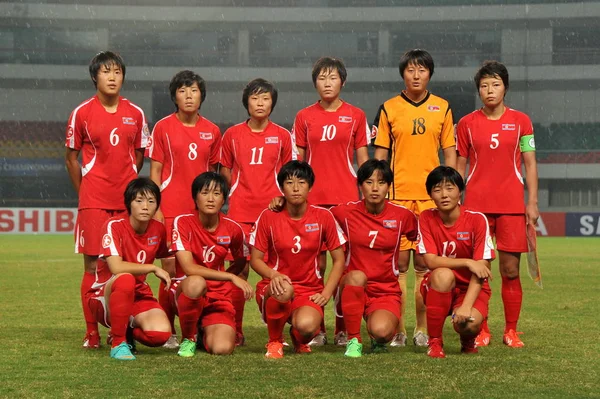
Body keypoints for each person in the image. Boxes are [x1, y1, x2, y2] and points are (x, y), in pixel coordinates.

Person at [372, 48, 456, 347]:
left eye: (422, 70)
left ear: (429, 73)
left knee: (424, 266)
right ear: (403, 74)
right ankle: (399, 329)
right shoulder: (389, 108)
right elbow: (380, 158)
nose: (416, 75)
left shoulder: (443, 107)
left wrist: (453, 191)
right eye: (411, 70)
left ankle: (422, 328)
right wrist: (378, 194)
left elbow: (449, 154)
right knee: (398, 268)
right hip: (397, 198)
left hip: (431, 199)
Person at [65, 51, 149, 348]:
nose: (112, 77)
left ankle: (125, 324)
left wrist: (124, 186)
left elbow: (138, 155)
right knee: (91, 268)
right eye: (106, 72)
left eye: (117, 72)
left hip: (127, 204)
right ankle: (91, 332)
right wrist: (85, 191)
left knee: (128, 266)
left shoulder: (136, 113)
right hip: (94, 200)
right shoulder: (82, 113)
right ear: (94, 77)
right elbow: (71, 157)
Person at [456, 60, 539, 348]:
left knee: (510, 270)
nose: (489, 90)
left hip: (512, 205)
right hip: (476, 206)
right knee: (479, 269)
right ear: (478, 90)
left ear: (505, 87)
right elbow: (459, 166)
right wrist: (456, 202)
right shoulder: (466, 123)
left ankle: (511, 331)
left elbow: (530, 164)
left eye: (495, 84)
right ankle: (483, 328)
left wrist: (532, 201)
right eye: (484, 85)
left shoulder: (522, 121)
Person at [292, 56, 370, 346]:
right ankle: (318, 327)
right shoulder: (304, 116)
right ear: (315, 83)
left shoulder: (356, 115)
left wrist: (364, 197)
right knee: (316, 265)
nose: (327, 83)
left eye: (333, 78)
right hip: (312, 200)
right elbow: (297, 164)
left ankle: (341, 328)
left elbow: (363, 162)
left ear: (343, 81)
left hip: (345, 199)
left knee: (345, 265)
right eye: (322, 78)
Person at [220, 78, 297, 346]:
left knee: (275, 271)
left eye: (265, 98)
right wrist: (231, 198)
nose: (260, 103)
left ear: (273, 102)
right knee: (240, 272)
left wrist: (282, 198)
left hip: (273, 214)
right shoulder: (231, 135)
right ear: (247, 103)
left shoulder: (284, 135)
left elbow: (290, 175)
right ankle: (236, 329)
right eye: (255, 98)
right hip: (240, 213)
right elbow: (225, 173)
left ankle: (276, 331)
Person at [149, 70, 222, 349]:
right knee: (169, 270)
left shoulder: (213, 130)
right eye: (182, 91)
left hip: (199, 213)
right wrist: (156, 207)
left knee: (198, 271)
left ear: (202, 95)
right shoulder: (163, 127)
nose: (189, 96)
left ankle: (198, 327)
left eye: (193, 90)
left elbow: (213, 175)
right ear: (174, 96)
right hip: (169, 208)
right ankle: (168, 331)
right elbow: (155, 170)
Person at [249, 161, 346, 359]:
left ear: (310, 186)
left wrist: (326, 293)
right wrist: (273, 274)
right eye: (289, 182)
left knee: (308, 327)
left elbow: (339, 259)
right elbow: (255, 259)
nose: (295, 188)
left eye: (301, 182)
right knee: (284, 288)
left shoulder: (323, 217)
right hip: (274, 285)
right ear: (281, 187)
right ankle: (275, 341)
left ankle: (297, 337)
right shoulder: (268, 216)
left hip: (309, 289)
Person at [330, 160, 418, 357]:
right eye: (369, 182)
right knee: (356, 276)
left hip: (385, 290)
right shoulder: (344, 212)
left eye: (381, 182)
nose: (375, 188)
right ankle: (353, 340)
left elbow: (419, 235)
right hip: (353, 284)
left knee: (382, 332)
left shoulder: (403, 216)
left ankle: (376, 334)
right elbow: (314, 217)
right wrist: (282, 201)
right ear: (360, 185)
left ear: (389, 185)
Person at [86, 178, 172, 360]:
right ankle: (118, 343)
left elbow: (168, 258)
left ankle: (127, 329)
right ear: (129, 204)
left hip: (138, 294)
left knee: (160, 336)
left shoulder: (158, 229)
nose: (145, 206)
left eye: (151, 201)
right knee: (126, 278)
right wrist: (151, 268)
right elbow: (116, 267)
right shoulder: (114, 225)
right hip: (104, 296)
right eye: (139, 201)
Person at [170, 172, 253, 357]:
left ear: (224, 198)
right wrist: (230, 276)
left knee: (222, 349)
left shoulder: (233, 228)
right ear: (195, 196)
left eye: (216, 194)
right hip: (187, 289)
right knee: (196, 282)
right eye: (205, 192)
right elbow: (189, 268)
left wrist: (230, 276)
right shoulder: (182, 222)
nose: (210, 199)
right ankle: (188, 338)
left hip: (217, 296)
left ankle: (202, 331)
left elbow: (241, 260)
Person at [417, 166, 495, 358]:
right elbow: (430, 260)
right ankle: (435, 342)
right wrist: (467, 262)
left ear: (460, 191)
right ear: (430, 194)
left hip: (472, 287)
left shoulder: (477, 220)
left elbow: (482, 270)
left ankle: (467, 339)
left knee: (469, 324)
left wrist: (467, 305)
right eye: (437, 189)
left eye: (450, 188)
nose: (444, 194)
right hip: (440, 285)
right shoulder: (426, 217)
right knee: (443, 274)